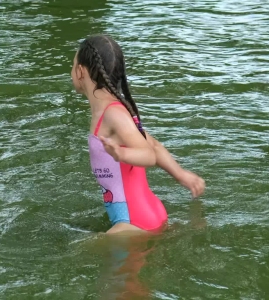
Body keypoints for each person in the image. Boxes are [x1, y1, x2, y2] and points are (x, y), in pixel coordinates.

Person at [71, 34, 205, 234]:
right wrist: (181, 175)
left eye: (72, 65)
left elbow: (148, 154)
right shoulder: (113, 111)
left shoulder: (113, 114)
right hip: (147, 214)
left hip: (134, 222)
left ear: (80, 71)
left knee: (77, 253)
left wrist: (121, 154)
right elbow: (155, 146)